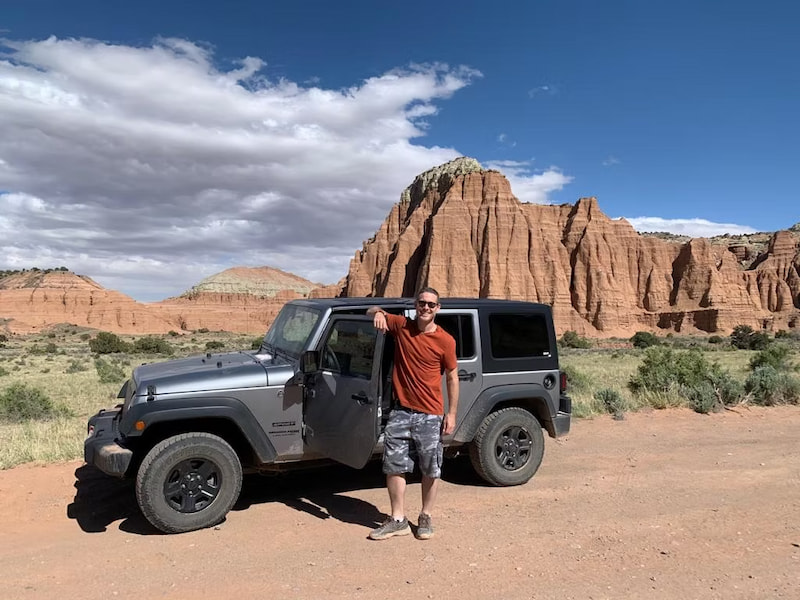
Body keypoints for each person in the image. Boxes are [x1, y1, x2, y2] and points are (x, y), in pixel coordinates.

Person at [366, 287, 459, 540]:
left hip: (430, 413)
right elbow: (370, 309)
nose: (426, 308)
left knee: (431, 468)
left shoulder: (445, 340)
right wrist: (379, 314)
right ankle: (398, 519)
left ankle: (425, 515)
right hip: (400, 411)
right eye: (422, 303)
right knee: (394, 465)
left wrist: (451, 413)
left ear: (438, 308)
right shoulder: (402, 326)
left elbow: (452, 377)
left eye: (431, 304)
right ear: (415, 305)